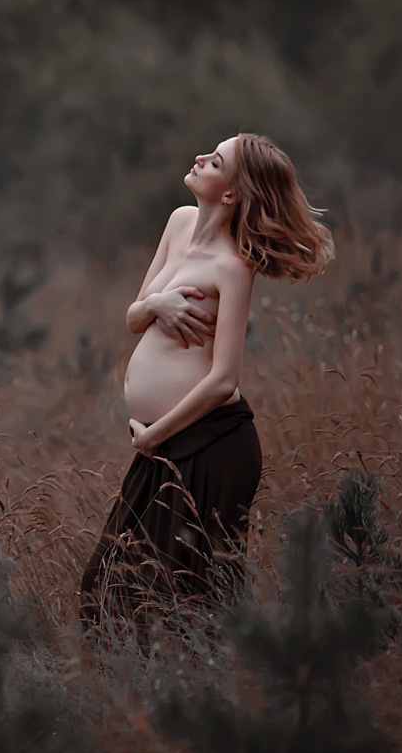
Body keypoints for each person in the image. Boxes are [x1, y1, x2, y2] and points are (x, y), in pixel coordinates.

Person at [79, 132, 334, 630]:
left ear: (232, 193)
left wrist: (153, 436)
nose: (198, 158)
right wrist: (157, 304)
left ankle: (213, 691)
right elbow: (133, 317)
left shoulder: (233, 268)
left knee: (184, 599)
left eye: (215, 161)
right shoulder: (178, 223)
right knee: (107, 588)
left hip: (211, 444)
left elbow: (223, 380)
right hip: (165, 445)